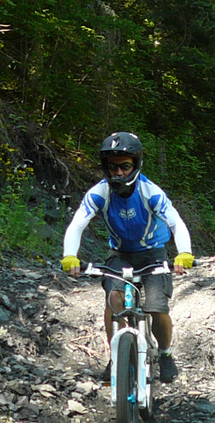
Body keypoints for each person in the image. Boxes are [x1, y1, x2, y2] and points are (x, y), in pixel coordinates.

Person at [60, 131, 194, 384]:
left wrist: (184, 253)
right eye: (112, 167)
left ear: (136, 164)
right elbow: (77, 225)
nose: (118, 173)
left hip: (153, 253)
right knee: (114, 300)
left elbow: (176, 223)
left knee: (156, 307)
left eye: (124, 166)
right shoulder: (99, 193)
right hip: (120, 254)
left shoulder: (150, 191)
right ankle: (117, 356)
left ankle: (165, 354)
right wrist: (70, 256)